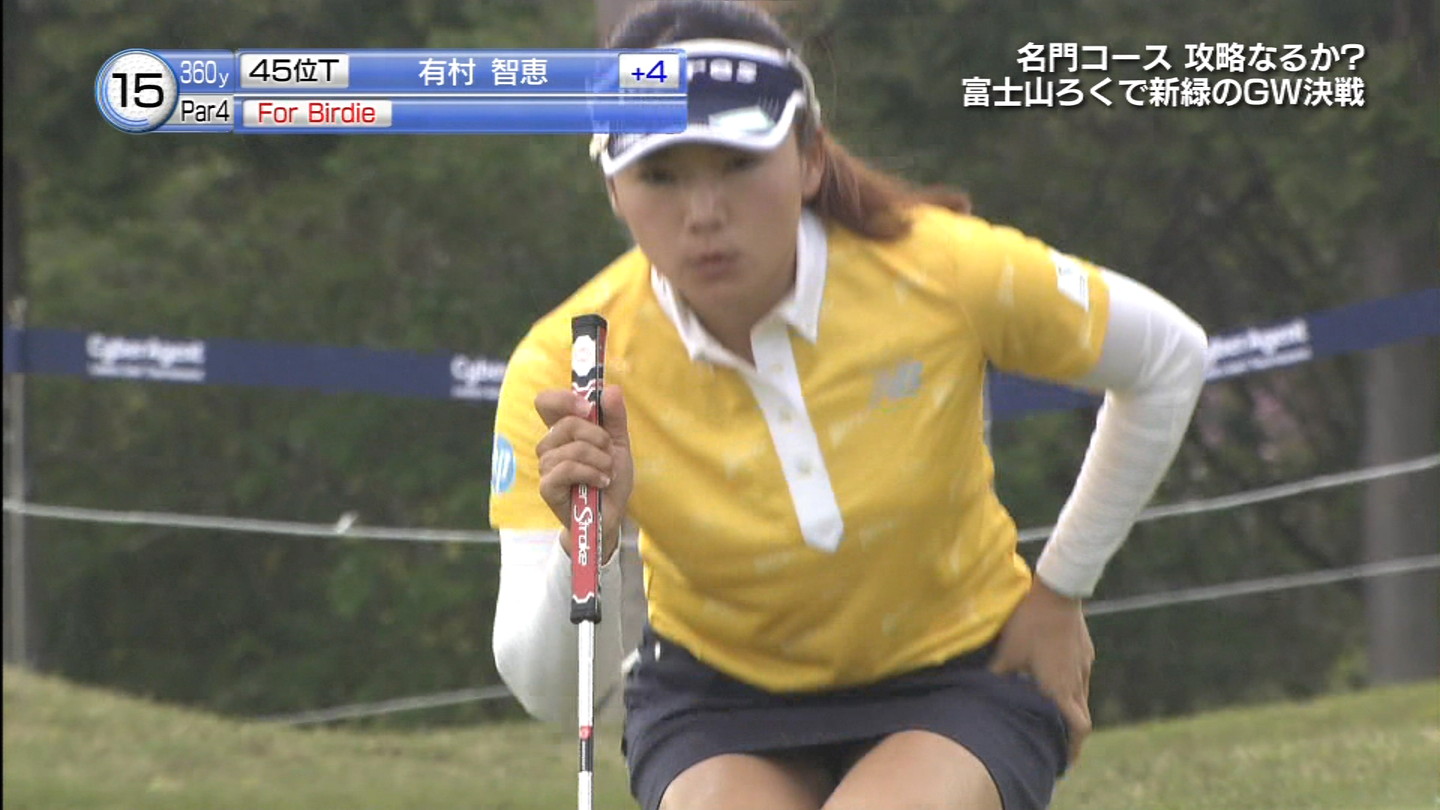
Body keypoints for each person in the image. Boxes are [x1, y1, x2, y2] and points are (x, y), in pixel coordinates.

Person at [490, 2, 1207, 808]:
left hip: (961, 667)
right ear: (615, 191)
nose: (704, 214)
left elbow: (1170, 358)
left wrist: (1062, 588)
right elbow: (551, 694)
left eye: (737, 161)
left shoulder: (941, 267)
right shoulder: (566, 365)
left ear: (809, 159)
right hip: (717, 698)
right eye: (660, 176)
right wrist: (590, 543)